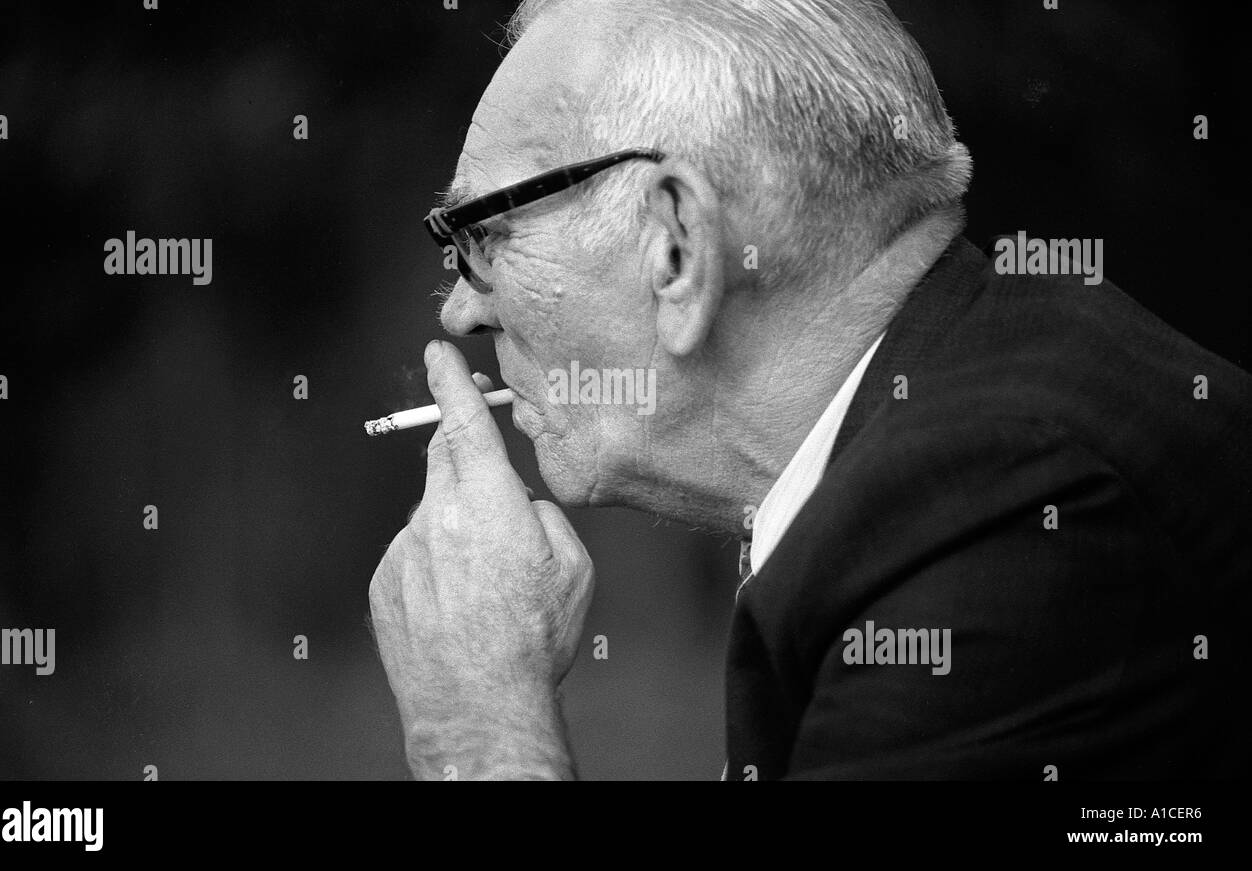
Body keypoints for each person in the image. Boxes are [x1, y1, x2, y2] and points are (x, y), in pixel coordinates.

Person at [369, 0, 1251, 780]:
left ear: (676, 247)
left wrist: (479, 723)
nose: (458, 310)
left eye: (483, 235)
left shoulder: (1000, 502)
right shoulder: (965, 430)